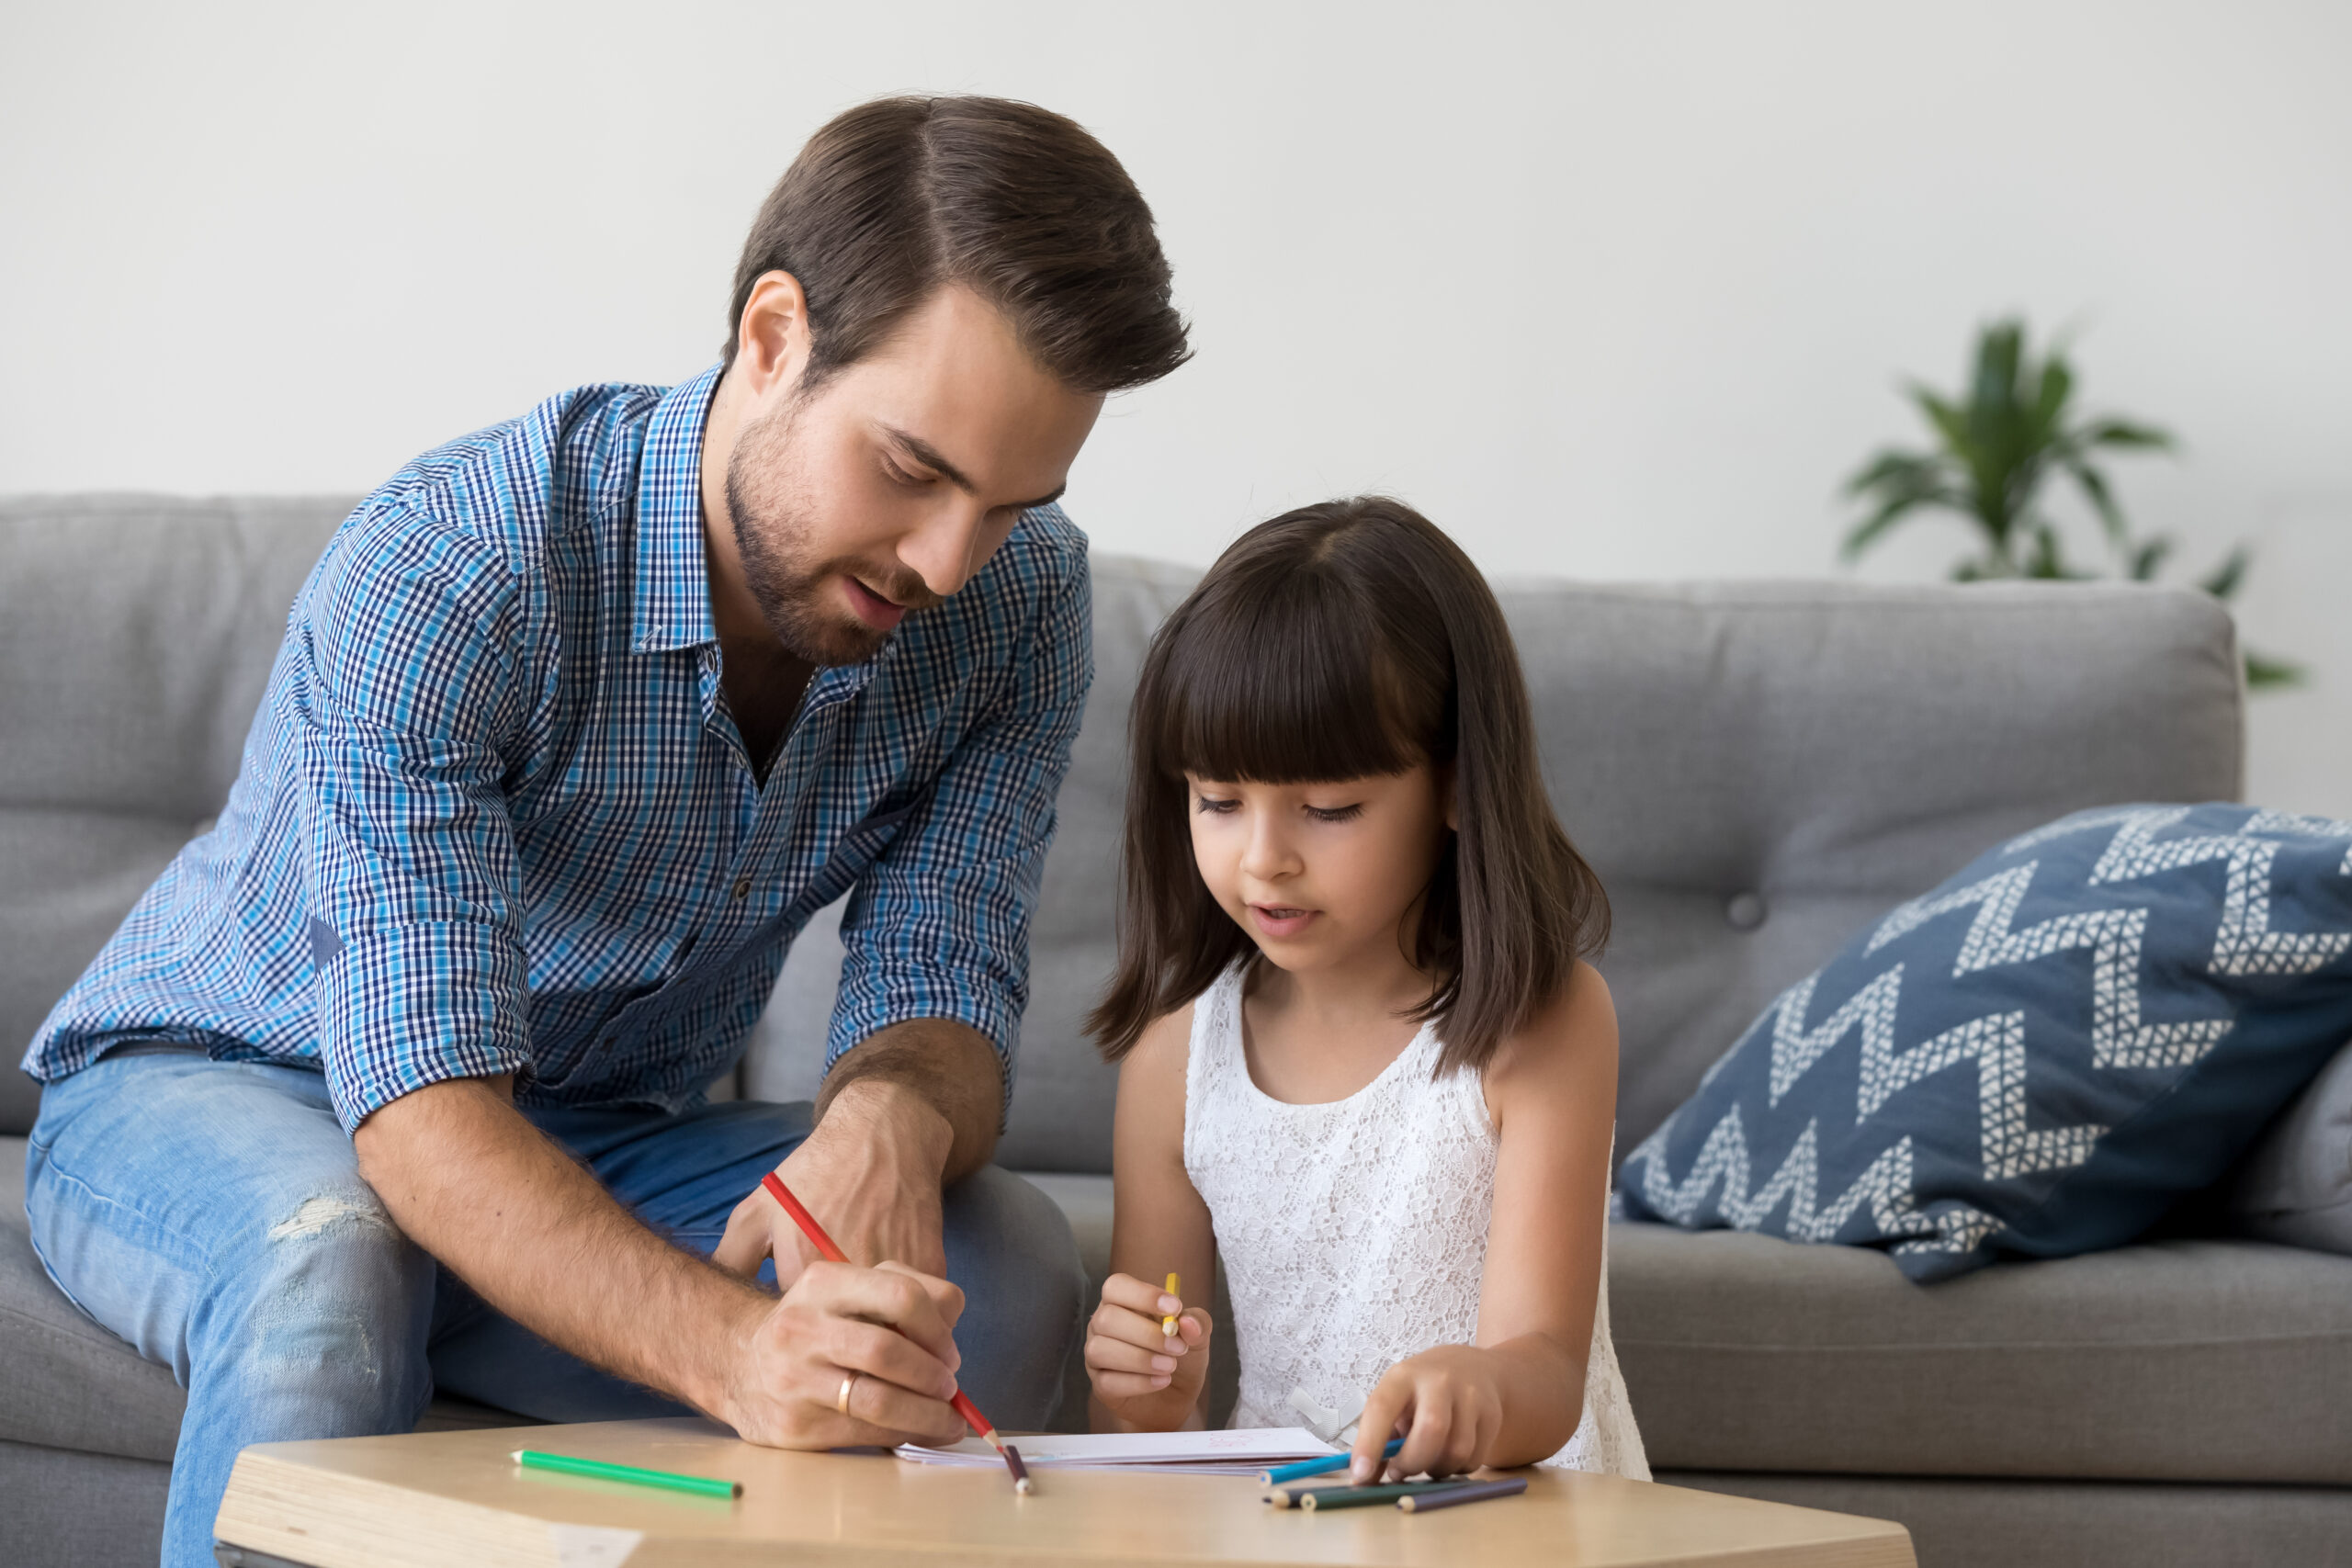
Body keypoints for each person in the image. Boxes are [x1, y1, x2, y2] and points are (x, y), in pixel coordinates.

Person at [22, 96, 1187, 1567]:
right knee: (334, 1261)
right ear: (773, 338)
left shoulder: (1016, 611)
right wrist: (732, 1352)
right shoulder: (456, 563)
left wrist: (888, 1107)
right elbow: (424, 1112)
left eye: (1012, 506)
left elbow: (947, 979)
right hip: (239, 1087)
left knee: (1005, 1267)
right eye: (912, 469)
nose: (950, 562)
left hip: (602, 1132)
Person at [1080, 497, 1649, 1483]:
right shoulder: (1175, 1056)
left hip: (1513, 1522)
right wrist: (1147, 1394)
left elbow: (1546, 1373)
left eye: (1329, 809)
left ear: (1459, 786)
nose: (1264, 861)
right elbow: (1139, 1443)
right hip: (1294, 1523)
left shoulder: (1540, 1022)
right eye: (1217, 800)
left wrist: (1475, 1386)